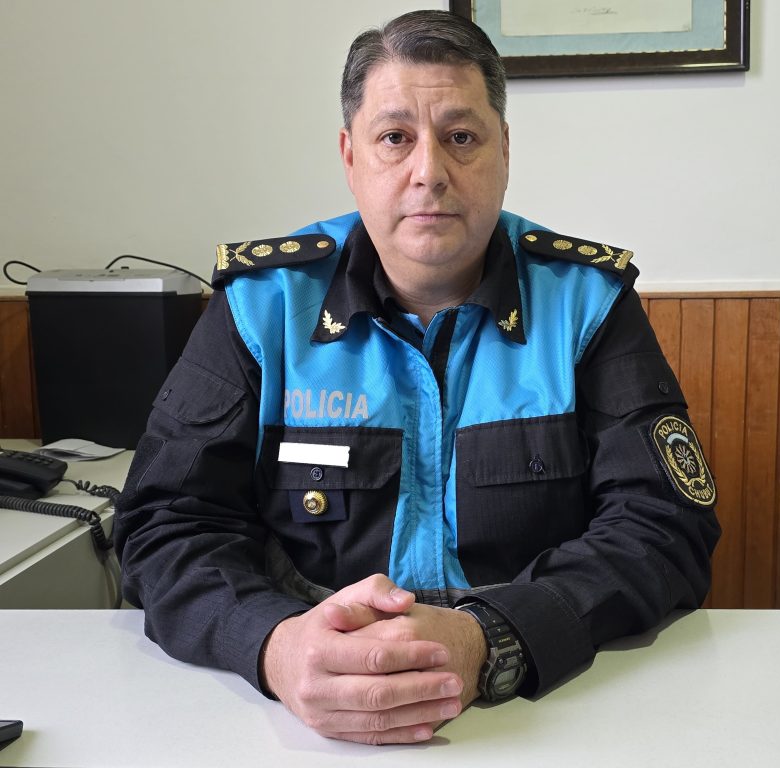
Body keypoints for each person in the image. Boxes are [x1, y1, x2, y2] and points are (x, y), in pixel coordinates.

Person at [113, 9, 720, 746]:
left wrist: (492, 639)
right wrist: (274, 645)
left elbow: (664, 525)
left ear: (504, 152)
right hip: (301, 719)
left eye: (461, 137)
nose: (429, 171)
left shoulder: (585, 303)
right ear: (351, 156)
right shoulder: (262, 306)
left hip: (538, 706)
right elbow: (164, 523)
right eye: (395, 137)